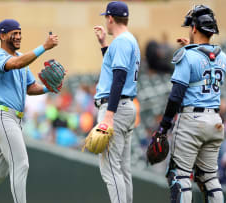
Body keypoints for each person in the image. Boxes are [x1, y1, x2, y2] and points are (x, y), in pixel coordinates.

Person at [0, 19, 58, 203]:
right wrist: (44, 46)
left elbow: (31, 87)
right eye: (14, 33)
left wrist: (47, 87)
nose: (18, 36)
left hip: (13, 120)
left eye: (19, 32)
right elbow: (16, 63)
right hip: (2, 115)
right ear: (2, 36)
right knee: (21, 164)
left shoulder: (20, 57)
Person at [153, 5, 226, 202]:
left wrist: (163, 127)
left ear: (194, 28)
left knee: (180, 176)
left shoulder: (187, 56)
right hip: (215, 121)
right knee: (210, 178)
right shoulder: (224, 57)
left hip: (191, 121)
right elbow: (206, 62)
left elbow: (176, 96)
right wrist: (190, 48)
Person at [93, 2, 140, 203]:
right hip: (125, 107)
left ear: (110, 18)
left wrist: (109, 116)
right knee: (122, 169)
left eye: (106, 18)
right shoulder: (130, 40)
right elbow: (117, 71)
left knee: (111, 169)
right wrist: (104, 45)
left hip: (115, 109)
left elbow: (119, 78)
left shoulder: (121, 42)